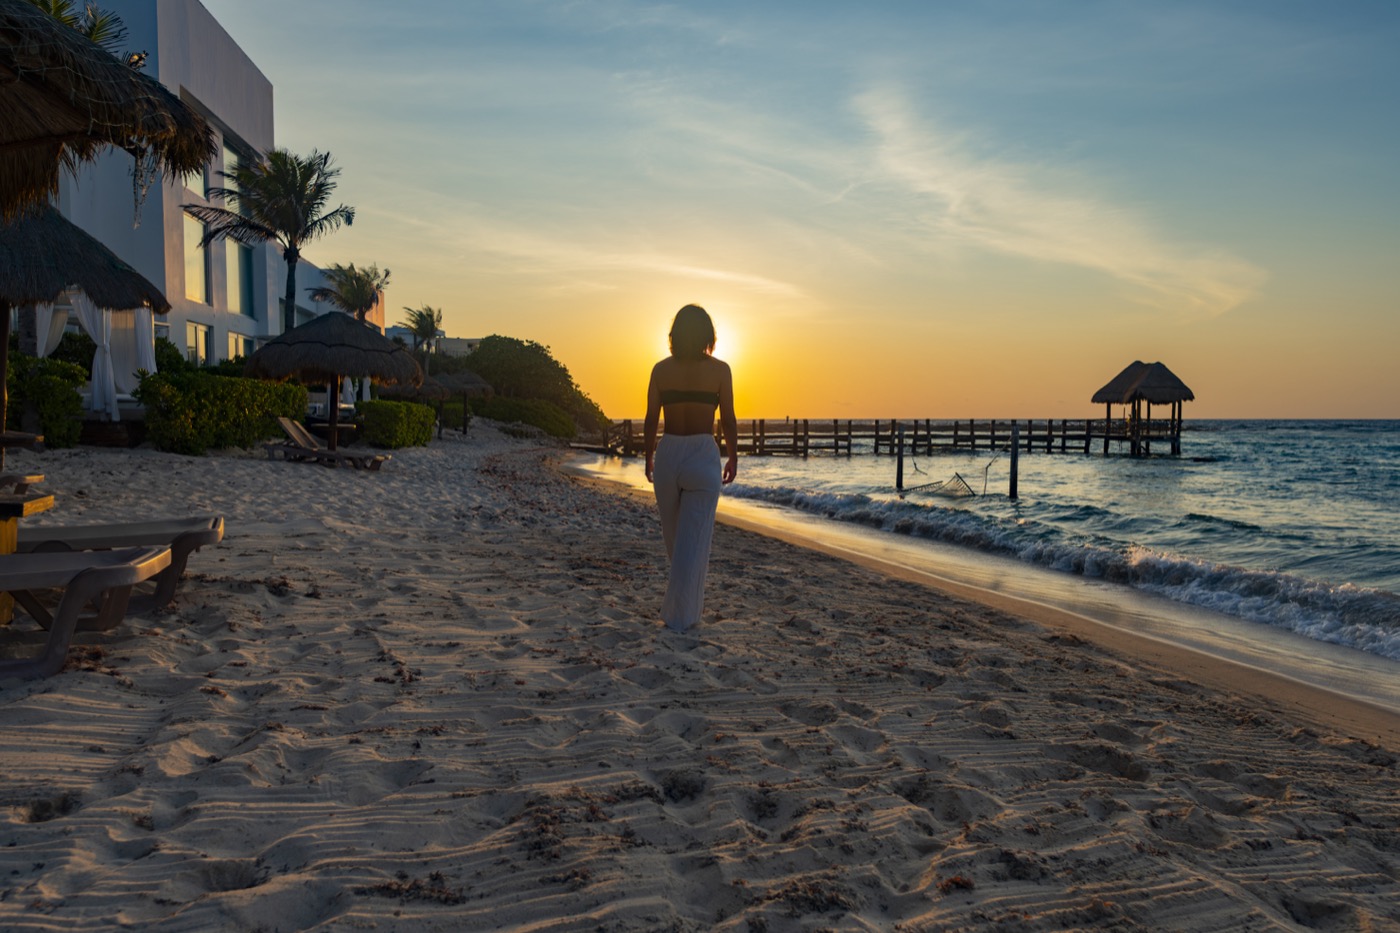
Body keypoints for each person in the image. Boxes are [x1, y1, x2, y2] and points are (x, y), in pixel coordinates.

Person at [644, 304, 739, 632]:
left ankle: (680, 614)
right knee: (691, 542)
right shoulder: (721, 370)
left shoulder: (660, 370)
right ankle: (683, 616)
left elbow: (650, 418)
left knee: (677, 541)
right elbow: (727, 418)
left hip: (669, 451)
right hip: (702, 453)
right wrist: (734, 456)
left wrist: (648, 456)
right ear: (707, 335)